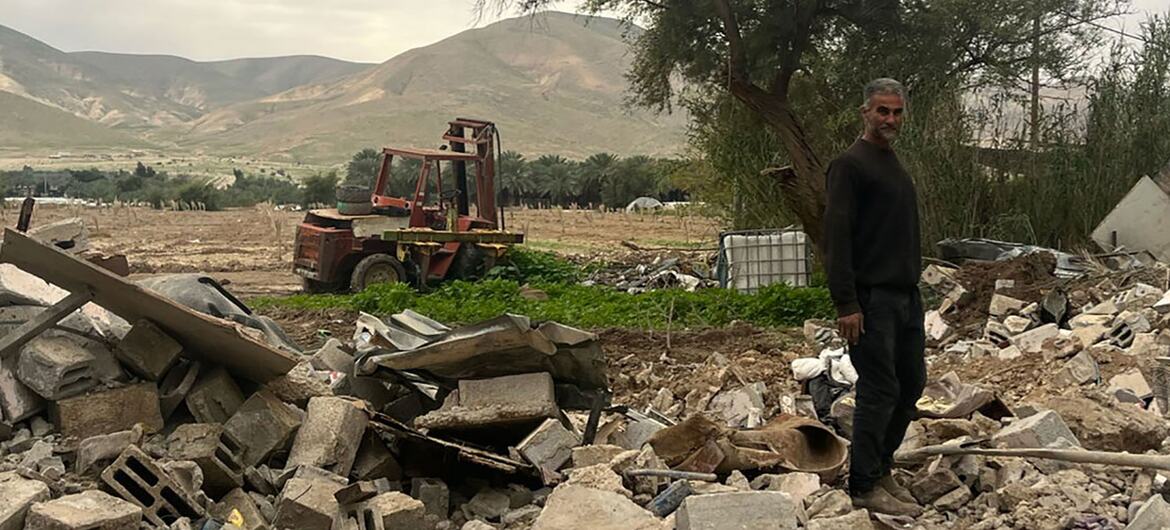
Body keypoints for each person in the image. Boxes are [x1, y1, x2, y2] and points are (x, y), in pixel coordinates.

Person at [822, 78, 926, 516]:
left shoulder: (891, 162)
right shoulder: (849, 165)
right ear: (865, 112)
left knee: (911, 385)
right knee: (879, 390)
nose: (890, 120)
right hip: (872, 300)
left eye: (897, 112)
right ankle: (863, 484)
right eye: (882, 111)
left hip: (905, 297)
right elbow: (837, 237)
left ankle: (882, 469)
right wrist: (847, 303)